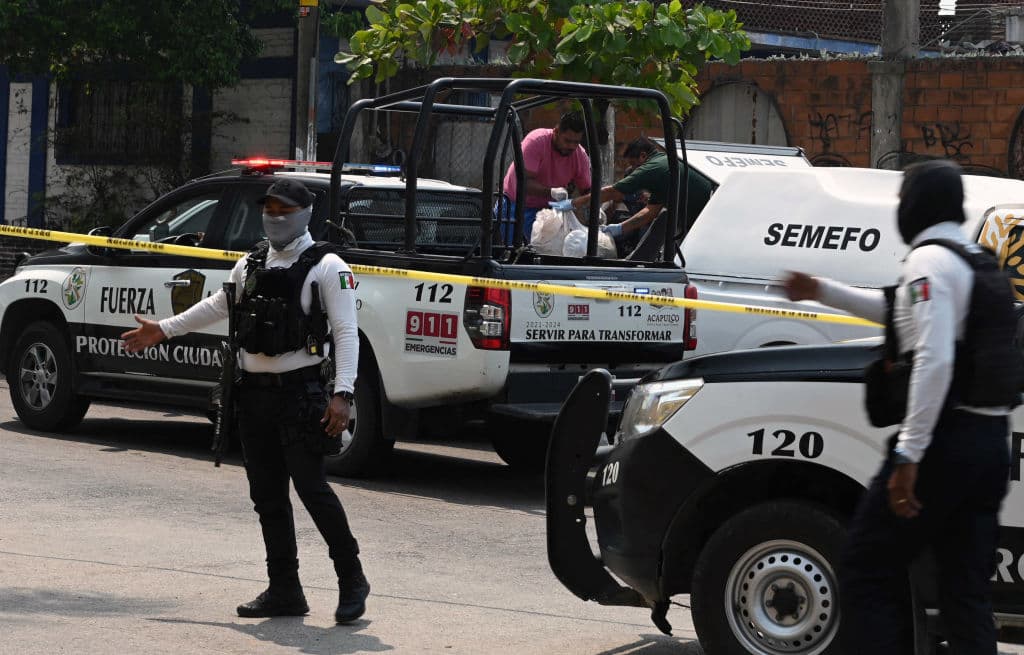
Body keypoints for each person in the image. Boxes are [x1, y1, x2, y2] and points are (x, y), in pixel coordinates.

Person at [783, 160, 1013, 654]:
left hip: (943, 447)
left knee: (868, 567)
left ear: (916, 205)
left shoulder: (930, 260)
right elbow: (900, 310)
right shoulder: (977, 260)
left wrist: (909, 454)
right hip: (989, 447)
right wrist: (820, 289)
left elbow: (934, 358)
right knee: (964, 592)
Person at [121, 178, 371, 624]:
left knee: (313, 490)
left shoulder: (328, 266)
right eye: (269, 207)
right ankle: (284, 589)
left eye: (284, 208)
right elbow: (219, 305)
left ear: (305, 212)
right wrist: (164, 328)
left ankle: (352, 579)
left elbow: (347, 332)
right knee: (268, 497)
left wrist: (343, 394)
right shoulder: (251, 262)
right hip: (253, 397)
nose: (275, 216)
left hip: (301, 394)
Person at [501, 111, 592, 243]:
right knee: (511, 252)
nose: (571, 146)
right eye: (567, 140)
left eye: (576, 142)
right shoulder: (536, 142)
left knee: (552, 252)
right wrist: (551, 192)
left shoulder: (580, 156)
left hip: (550, 211)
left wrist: (594, 207)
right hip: (516, 206)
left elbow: (587, 190)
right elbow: (523, 183)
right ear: (556, 132)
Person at [572, 136, 675, 244]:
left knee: (646, 237)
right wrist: (610, 223)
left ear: (643, 156)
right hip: (637, 218)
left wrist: (574, 203)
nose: (634, 169)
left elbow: (611, 192)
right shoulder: (633, 172)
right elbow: (618, 197)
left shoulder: (655, 169)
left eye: (634, 164)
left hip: (655, 222)